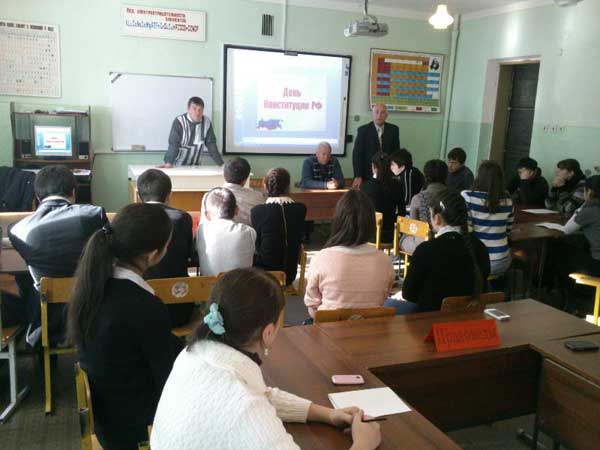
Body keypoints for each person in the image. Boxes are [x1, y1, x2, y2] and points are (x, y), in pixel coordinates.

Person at [150, 268, 381, 450]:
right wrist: (364, 443)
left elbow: (261, 396)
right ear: (268, 332)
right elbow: (249, 404)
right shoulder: (243, 404)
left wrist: (328, 414)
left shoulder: (195, 354)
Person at [67, 203, 183, 450]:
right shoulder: (144, 306)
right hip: (135, 428)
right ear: (153, 255)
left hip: (108, 414)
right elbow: (168, 379)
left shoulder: (94, 283)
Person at [8, 165, 107, 346]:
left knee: (25, 281)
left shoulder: (17, 230)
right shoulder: (94, 215)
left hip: (48, 322)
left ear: (37, 196)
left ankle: (42, 360)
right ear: (73, 192)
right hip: (91, 314)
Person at [385, 189, 490, 314]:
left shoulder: (426, 250)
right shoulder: (480, 247)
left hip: (430, 319)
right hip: (470, 316)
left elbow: (409, 295)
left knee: (388, 304)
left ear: (437, 218)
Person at [304, 190, 395, 317]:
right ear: (370, 222)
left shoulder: (321, 258)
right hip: (372, 326)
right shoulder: (385, 260)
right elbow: (383, 298)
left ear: (338, 220)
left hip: (330, 327)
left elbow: (312, 305)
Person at [136, 169, 194, 326]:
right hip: (179, 308)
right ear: (169, 195)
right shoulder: (182, 218)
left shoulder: (130, 218)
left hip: (139, 310)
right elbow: (189, 255)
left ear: (138, 196)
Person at [551, 176, 600, 309]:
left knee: (560, 253)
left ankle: (570, 301)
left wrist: (583, 205)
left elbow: (566, 229)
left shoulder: (590, 210)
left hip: (597, 263)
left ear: (589, 192)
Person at [251, 168, 307, 286]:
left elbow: (258, 245)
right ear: (288, 186)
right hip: (290, 274)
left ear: (265, 187)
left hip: (266, 275)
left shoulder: (257, 211)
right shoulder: (301, 209)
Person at [461, 161, 514, 276]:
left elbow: (466, 230)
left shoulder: (468, 197)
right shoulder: (508, 201)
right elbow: (508, 231)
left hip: (480, 261)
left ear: (479, 176)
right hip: (502, 261)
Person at [196, 187, 256, 276]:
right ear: (237, 210)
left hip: (208, 284)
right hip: (241, 284)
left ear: (207, 215)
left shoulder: (201, 230)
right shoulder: (249, 231)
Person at [398, 159, 448, 254]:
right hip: (447, 242)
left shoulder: (419, 198)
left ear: (426, 176)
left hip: (423, 243)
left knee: (403, 238)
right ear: (446, 175)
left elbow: (413, 227)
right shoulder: (454, 197)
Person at [162, 96, 224, 167]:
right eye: (194, 109)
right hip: (177, 165)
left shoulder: (207, 122)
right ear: (188, 109)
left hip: (196, 166)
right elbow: (173, 144)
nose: (197, 113)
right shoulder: (179, 122)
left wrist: (221, 164)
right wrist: (169, 162)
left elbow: (211, 145)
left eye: (200, 109)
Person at [352, 104, 400, 188]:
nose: (379, 115)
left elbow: (396, 152)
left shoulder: (394, 130)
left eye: (382, 113)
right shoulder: (363, 130)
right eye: (376, 112)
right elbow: (357, 154)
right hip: (367, 174)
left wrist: (397, 172)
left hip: (388, 174)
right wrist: (358, 175)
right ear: (372, 114)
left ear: (386, 115)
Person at [361, 152, 405, 243]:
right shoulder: (397, 185)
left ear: (373, 167)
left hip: (369, 234)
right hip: (391, 235)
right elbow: (402, 212)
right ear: (390, 167)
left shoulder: (365, 187)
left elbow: (361, 214)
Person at [221, 157, 264, 226]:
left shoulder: (209, 195)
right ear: (245, 179)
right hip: (249, 232)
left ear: (223, 175)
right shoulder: (258, 197)